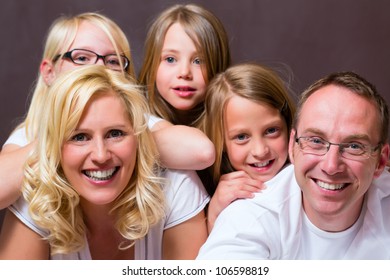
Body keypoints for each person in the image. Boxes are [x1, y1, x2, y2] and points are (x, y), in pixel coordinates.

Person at [0, 12, 214, 210]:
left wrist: (125, 140)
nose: (98, 68)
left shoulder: (137, 122)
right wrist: (59, 139)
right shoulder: (29, 133)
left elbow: (201, 151)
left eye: (113, 61)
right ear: (49, 72)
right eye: (82, 58)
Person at [0, 66, 209, 260]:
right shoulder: (38, 198)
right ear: (53, 147)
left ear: (138, 138)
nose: (101, 155)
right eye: (80, 137)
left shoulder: (176, 186)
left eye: (115, 133)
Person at [197, 71, 390, 259]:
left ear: (380, 161)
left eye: (354, 146)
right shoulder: (250, 218)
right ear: (292, 145)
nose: (331, 166)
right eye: (316, 141)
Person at [199, 63, 296, 231]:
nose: (260, 151)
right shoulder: (218, 194)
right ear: (221, 142)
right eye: (241, 137)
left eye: (271, 131)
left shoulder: (306, 178)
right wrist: (214, 213)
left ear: (288, 127)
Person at [138, 3, 231, 127]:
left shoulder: (231, 123)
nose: (184, 72)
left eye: (198, 61)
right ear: (152, 65)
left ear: (218, 67)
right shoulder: (135, 120)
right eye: (170, 59)